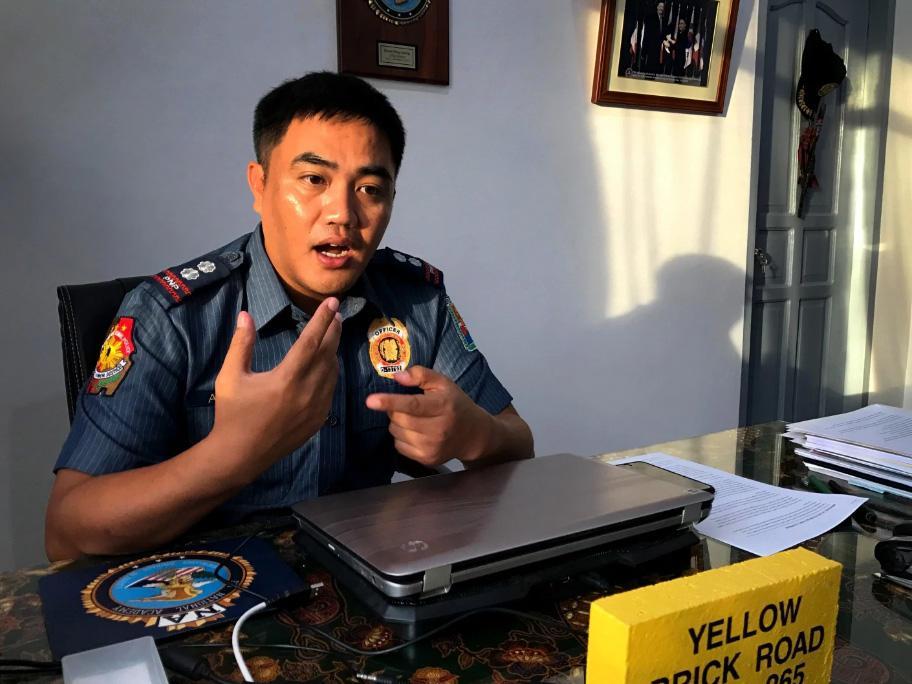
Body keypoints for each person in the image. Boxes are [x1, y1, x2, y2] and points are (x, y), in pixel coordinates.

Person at [45, 72, 534, 561]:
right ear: (260, 186)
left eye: (369, 189)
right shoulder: (171, 316)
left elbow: (518, 444)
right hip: (212, 592)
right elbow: (66, 533)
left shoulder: (415, 301)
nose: (342, 213)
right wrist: (232, 454)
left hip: (368, 576)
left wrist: (474, 433)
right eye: (314, 180)